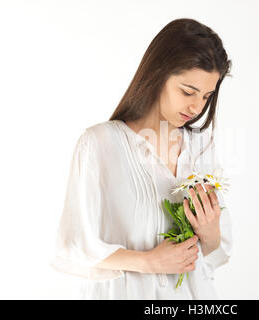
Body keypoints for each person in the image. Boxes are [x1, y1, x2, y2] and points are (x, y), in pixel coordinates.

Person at [50, 18, 233, 299]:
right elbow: (74, 247)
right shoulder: (100, 144)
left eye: (207, 96)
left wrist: (210, 233)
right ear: (159, 74)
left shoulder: (201, 147)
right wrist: (148, 262)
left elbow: (216, 253)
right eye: (187, 92)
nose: (197, 107)